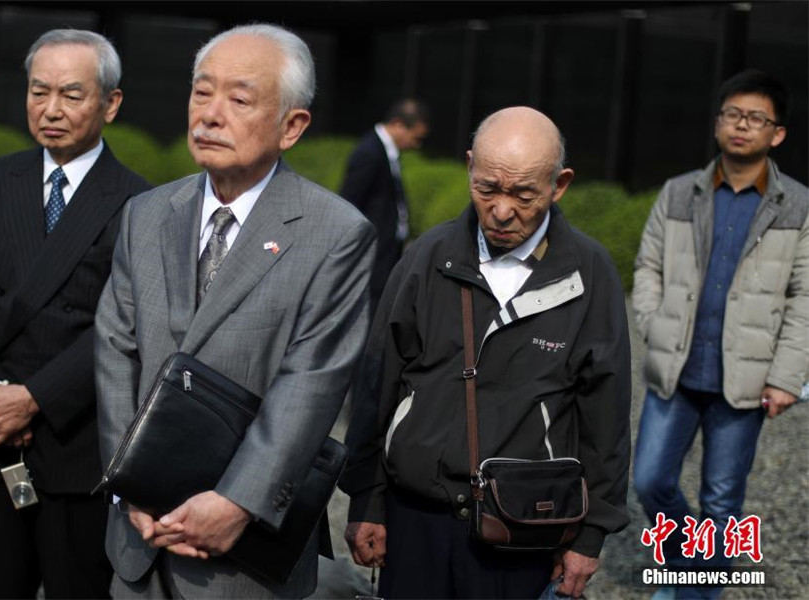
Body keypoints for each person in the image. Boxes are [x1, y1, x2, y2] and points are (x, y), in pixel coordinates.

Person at [93, 24, 375, 598]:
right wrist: (130, 485)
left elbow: (311, 383)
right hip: (138, 539)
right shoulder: (146, 213)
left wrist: (237, 502)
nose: (211, 114)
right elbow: (114, 349)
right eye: (202, 92)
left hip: (241, 554)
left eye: (239, 99)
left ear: (292, 126)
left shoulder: (335, 234)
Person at [341, 106, 632, 599]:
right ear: (471, 166)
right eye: (487, 188)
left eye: (523, 194)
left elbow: (606, 415)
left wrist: (590, 533)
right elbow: (379, 383)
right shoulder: (425, 259)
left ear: (559, 185)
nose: (501, 211)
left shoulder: (588, 273)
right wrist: (365, 500)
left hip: (525, 525)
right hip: (417, 520)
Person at [0, 29, 149, 599]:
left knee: (76, 584)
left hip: (76, 437)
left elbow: (123, 324)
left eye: (72, 95)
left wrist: (33, 399)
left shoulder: (140, 201)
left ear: (111, 103)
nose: (51, 110)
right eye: (39, 91)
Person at [632, 69, 808, 599]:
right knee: (649, 481)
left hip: (746, 383)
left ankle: (696, 592)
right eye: (733, 114)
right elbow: (648, 267)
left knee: (722, 500)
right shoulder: (679, 192)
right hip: (678, 370)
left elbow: (805, 297)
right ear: (717, 123)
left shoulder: (796, 205)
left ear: (776, 134)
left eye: (756, 118)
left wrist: (786, 378)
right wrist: (652, 322)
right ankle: (693, 566)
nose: (742, 126)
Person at [340, 99, 429, 313]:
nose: (416, 145)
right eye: (415, 137)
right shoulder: (369, 152)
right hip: (371, 252)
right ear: (398, 125)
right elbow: (349, 203)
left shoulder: (387, 153)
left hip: (386, 249)